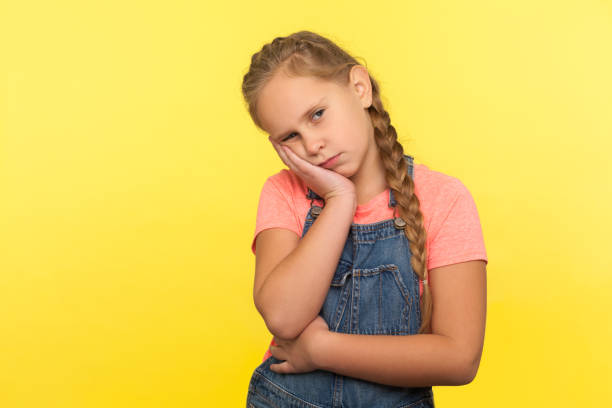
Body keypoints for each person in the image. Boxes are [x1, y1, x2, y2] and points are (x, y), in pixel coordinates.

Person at [241, 30, 488, 408]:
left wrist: (322, 349)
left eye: (317, 115)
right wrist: (340, 199)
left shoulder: (443, 199)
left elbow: (459, 358)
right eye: (290, 136)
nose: (311, 145)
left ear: (359, 88)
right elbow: (283, 317)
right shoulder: (283, 193)